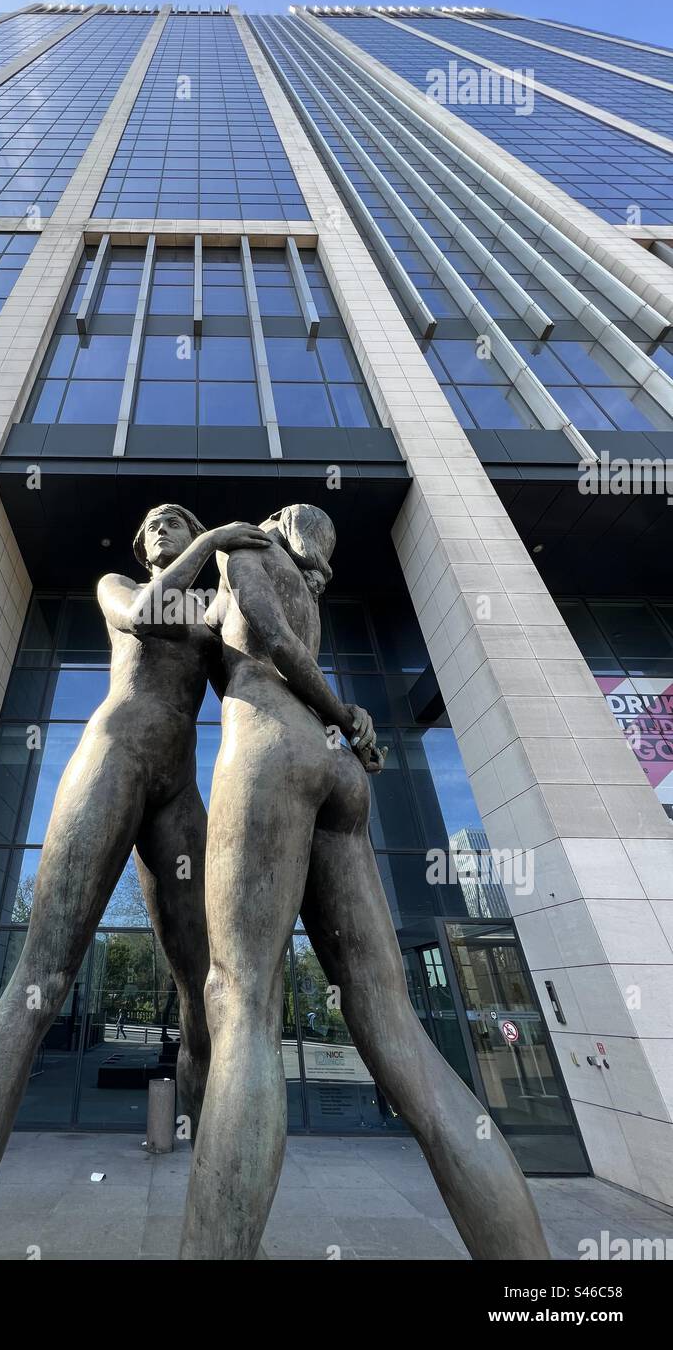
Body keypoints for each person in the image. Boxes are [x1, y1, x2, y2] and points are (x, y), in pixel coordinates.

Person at [179, 504, 550, 1261]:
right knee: (393, 1024)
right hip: (339, 774)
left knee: (242, 1002)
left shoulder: (247, 551)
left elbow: (268, 643)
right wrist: (344, 723)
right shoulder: (306, 587)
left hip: (270, 750)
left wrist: (341, 709)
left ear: (278, 522)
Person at [0, 504, 269, 1259]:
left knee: (206, 998)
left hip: (180, 793)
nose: (159, 527)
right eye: (149, 523)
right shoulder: (119, 583)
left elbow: (257, 679)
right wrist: (215, 541)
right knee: (41, 977)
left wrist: (333, 713)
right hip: (115, 755)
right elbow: (147, 615)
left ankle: (221, 1213)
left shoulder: (215, 611)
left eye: (176, 521)